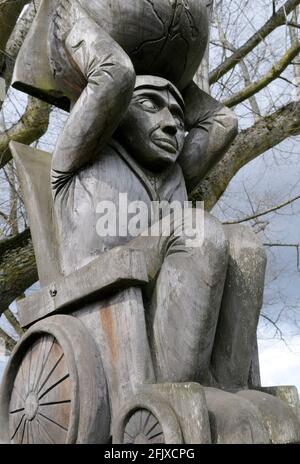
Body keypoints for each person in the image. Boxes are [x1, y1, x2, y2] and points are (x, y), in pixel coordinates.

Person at [52, 75, 265, 389]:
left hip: (160, 271)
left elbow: (224, 121)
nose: (171, 125)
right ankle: (179, 387)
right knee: (195, 227)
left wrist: (175, 68)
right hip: (99, 282)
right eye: (149, 104)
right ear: (116, 110)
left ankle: (229, 388)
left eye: (179, 116)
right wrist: (153, 48)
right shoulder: (83, 153)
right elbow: (111, 75)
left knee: (245, 245)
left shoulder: (173, 171)